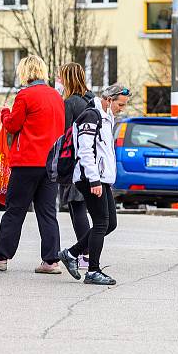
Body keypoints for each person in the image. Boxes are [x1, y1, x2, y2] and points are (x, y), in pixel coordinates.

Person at [0, 55, 65, 274]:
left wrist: (5, 113)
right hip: (51, 164)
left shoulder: (25, 95)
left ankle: (1, 256)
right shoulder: (56, 96)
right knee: (47, 212)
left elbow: (13, 125)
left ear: (25, 72)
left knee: (15, 210)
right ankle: (51, 260)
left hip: (27, 162)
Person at [59, 83, 131, 286]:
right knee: (101, 222)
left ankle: (71, 254)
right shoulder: (91, 116)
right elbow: (85, 151)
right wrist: (94, 179)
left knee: (110, 223)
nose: (122, 108)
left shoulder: (107, 117)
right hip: (89, 178)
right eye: (120, 104)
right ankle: (93, 271)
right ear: (109, 100)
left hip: (102, 179)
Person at [58, 63, 96, 269]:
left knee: (77, 207)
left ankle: (85, 254)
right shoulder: (92, 99)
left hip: (76, 163)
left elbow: (65, 134)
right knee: (86, 208)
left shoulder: (71, 103)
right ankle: (87, 252)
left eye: (61, 77)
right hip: (93, 163)